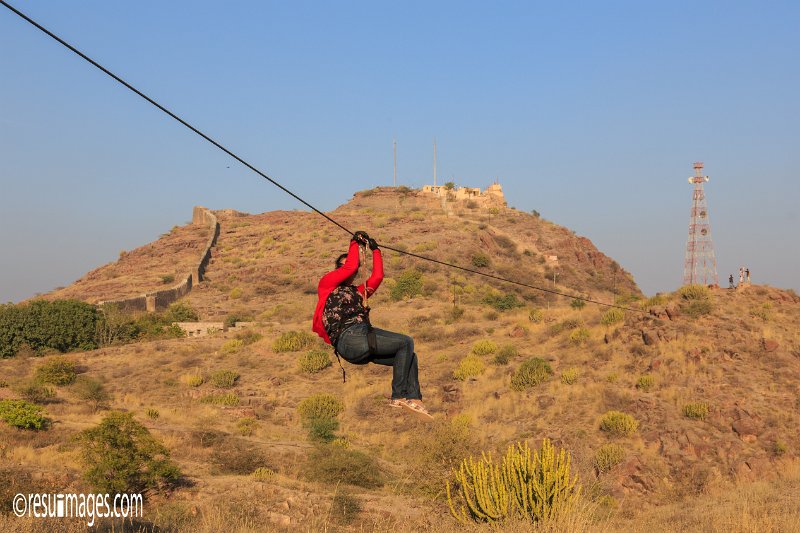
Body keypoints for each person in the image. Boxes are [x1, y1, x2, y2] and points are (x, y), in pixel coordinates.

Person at [312, 231, 431, 417]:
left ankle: (414, 399)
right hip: (349, 338)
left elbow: (377, 277)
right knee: (406, 341)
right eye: (342, 267)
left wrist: (376, 251)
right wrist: (354, 243)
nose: (350, 270)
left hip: (359, 345)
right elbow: (350, 267)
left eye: (354, 267)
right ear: (337, 269)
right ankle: (398, 396)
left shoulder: (359, 292)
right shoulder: (327, 285)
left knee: (409, 356)